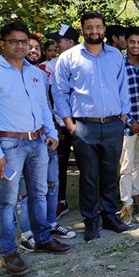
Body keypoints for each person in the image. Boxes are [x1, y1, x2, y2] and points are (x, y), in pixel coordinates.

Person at [0, 21, 69, 276]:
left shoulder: (35, 72)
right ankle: (8, 252)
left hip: (38, 142)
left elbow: (42, 106)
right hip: (9, 145)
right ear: (2, 44)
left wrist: (51, 133)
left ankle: (43, 238)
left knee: (39, 193)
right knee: (8, 200)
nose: (19, 46)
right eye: (13, 41)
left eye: (24, 42)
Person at [52, 11, 131, 241]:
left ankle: (110, 216)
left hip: (113, 124)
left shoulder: (115, 55)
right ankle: (90, 222)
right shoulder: (69, 57)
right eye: (89, 27)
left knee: (110, 173)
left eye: (98, 27)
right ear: (82, 30)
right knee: (88, 176)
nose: (94, 31)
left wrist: (123, 117)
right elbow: (59, 92)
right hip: (84, 127)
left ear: (104, 29)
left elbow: (122, 87)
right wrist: (69, 123)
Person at [17, 36, 76, 248]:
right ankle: (27, 233)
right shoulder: (3, 74)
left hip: (46, 137)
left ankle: (50, 224)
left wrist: (54, 130)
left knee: (51, 184)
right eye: (29, 46)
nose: (33, 50)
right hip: (20, 141)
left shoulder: (40, 75)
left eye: (36, 47)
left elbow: (47, 106)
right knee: (24, 190)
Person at [44, 24, 80, 219]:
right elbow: (50, 97)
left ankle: (94, 201)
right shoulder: (51, 65)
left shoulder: (85, 62)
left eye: (59, 41)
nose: (56, 45)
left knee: (89, 164)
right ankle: (60, 201)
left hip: (84, 121)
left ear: (70, 42)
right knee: (60, 163)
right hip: (61, 124)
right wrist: (55, 123)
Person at [118, 27, 139, 224]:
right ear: (126, 42)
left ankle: (135, 193)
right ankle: (126, 203)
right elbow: (116, 95)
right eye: (132, 42)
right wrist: (131, 122)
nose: (136, 46)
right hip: (127, 124)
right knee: (126, 164)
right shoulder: (119, 65)